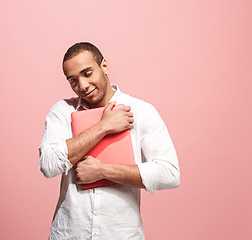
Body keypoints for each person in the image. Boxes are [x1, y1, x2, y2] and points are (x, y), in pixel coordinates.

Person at [39, 42, 180, 240]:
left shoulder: (141, 111)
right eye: (73, 81)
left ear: (104, 66)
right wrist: (103, 127)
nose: (83, 86)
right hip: (70, 234)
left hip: (121, 234)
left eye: (87, 73)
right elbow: (48, 164)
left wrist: (102, 171)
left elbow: (170, 174)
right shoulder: (62, 111)